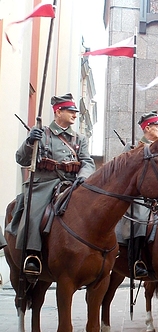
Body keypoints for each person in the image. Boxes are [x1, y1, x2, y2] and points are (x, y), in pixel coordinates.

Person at [7, 93, 95, 276]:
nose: (74, 114)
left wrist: (83, 176)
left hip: (72, 183)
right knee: (35, 213)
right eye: (70, 111)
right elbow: (21, 159)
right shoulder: (42, 133)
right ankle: (32, 254)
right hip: (45, 183)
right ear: (58, 111)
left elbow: (87, 162)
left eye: (75, 111)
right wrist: (30, 141)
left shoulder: (79, 139)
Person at [118, 111, 158, 278]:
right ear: (147, 128)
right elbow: (122, 171)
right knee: (139, 215)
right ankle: (136, 260)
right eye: (157, 126)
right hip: (139, 194)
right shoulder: (133, 147)